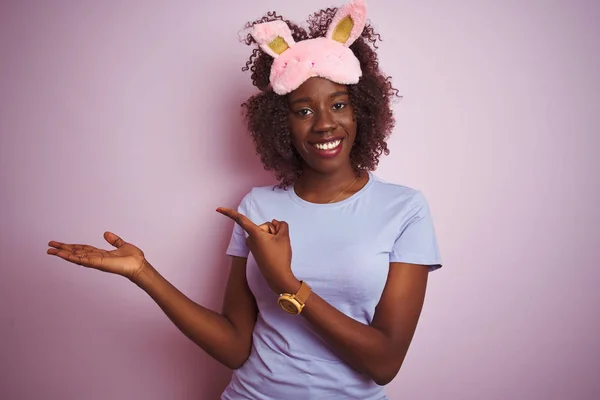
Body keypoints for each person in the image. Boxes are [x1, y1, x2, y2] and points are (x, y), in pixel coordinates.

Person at [46, 0, 442, 398]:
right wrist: (143, 273)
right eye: (303, 110)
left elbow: (384, 362)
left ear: (362, 112)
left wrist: (286, 282)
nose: (324, 123)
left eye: (338, 105)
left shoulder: (403, 209)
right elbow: (235, 347)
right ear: (280, 123)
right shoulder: (257, 206)